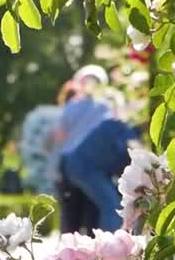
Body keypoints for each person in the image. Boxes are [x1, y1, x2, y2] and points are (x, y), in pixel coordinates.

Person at [52, 65, 137, 233]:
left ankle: (69, 252)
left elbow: (59, 137)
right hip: (94, 163)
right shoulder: (107, 106)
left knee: (71, 215)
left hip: (69, 164)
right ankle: (96, 251)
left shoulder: (70, 107)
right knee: (95, 210)